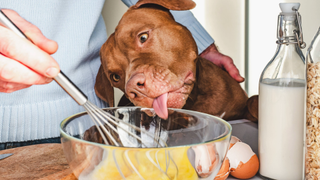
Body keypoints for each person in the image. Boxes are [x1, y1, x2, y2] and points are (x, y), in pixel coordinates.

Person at [0, 0, 244, 150]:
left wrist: (200, 44)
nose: (132, 85)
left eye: (144, 38)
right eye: (117, 77)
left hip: (92, 131)